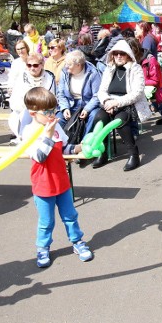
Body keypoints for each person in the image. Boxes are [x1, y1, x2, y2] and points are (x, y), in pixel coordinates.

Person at [22, 87, 92, 269]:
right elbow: (39, 157)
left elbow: (64, 149)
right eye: (47, 112)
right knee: (46, 221)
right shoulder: (29, 132)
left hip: (62, 181)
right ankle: (43, 247)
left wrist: (79, 149)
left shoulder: (56, 126)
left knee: (70, 216)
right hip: (43, 185)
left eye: (54, 110)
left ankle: (77, 242)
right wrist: (47, 135)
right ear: (33, 113)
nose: (53, 115)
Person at [90, 39, 151, 171]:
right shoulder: (109, 69)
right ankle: (103, 152)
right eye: (115, 53)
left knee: (120, 121)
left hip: (128, 104)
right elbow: (101, 90)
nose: (118, 56)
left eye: (121, 54)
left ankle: (133, 154)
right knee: (99, 118)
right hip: (109, 104)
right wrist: (107, 102)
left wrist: (116, 102)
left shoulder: (136, 69)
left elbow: (137, 93)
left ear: (128, 55)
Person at [8, 53, 57, 141]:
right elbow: (17, 100)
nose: (32, 68)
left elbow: (51, 98)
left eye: (35, 65)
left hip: (44, 110)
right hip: (25, 109)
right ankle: (22, 138)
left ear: (42, 65)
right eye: (29, 65)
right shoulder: (21, 78)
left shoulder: (49, 78)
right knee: (27, 113)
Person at [57, 50, 101, 138]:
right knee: (58, 118)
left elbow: (97, 95)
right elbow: (60, 93)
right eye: (66, 63)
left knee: (94, 116)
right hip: (70, 103)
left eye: (69, 64)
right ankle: (62, 143)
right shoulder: (64, 73)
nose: (66, 66)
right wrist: (65, 108)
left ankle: (85, 142)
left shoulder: (93, 73)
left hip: (88, 103)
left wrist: (87, 109)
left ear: (78, 65)